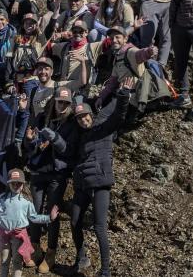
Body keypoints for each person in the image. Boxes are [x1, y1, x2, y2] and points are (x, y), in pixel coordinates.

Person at [70, 80, 133, 276]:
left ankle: (105, 271)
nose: (83, 120)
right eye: (79, 118)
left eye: (85, 116)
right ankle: (81, 257)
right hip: (82, 185)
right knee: (74, 223)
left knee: (99, 227)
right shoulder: (80, 137)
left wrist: (123, 95)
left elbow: (119, 115)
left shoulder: (104, 129)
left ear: (91, 114)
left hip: (100, 184)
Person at [22, 86, 78, 274]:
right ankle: (36, 247)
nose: (62, 105)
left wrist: (53, 136)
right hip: (38, 172)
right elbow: (28, 148)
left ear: (70, 104)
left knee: (53, 212)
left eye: (66, 102)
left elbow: (68, 150)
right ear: (54, 100)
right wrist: (29, 141)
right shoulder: (40, 118)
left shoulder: (71, 123)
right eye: (59, 101)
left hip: (57, 174)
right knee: (35, 210)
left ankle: (51, 252)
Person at [0, 168, 59, 277]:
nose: (16, 185)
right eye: (13, 183)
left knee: (17, 262)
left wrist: (49, 218)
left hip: (18, 237)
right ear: (9, 184)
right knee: (4, 261)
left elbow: (34, 217)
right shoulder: (2, 199)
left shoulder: (26, 201)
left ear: (23, 184)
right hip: (4, 235)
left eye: (19, 183)